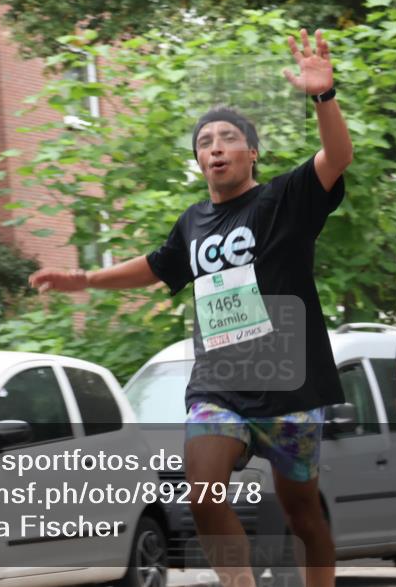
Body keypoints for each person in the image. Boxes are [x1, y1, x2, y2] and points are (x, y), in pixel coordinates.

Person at [29, 29, 351, 587]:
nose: (217, 147)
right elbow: (157, 266)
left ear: (252, 152)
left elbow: (337, 156)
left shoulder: (283, 200)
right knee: (202, 490)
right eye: (206, 141)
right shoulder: (193, 222)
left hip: (289, 385)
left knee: (302, 512)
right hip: (219, 382)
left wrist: (323, 96)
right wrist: (82, 278)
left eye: (229, 138)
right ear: (199, 159)